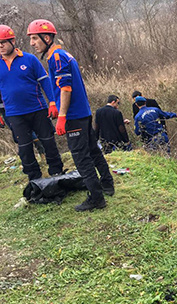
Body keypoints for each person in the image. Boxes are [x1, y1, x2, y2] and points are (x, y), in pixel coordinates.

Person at [28, 19, 114, 211]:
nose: (32, 43)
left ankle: (96, 198)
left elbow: (65, 88)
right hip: (83, 112)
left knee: (81, 157)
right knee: (93, 150)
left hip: (74, 115)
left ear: (47, 37)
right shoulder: (64, 54)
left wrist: (62, 116)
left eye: (35, 38)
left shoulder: (56, 57)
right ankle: (107, 184)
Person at [0, 25, 63, 180]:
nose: (0, 46)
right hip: (14, 113)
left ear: (12, 40)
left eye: (2, 42)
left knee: (48, 141)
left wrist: (53, 102)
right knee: (24, 148)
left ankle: (57, 171)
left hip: (38, 109)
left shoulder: (30, 59)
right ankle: (34, 178)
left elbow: (45, 82)